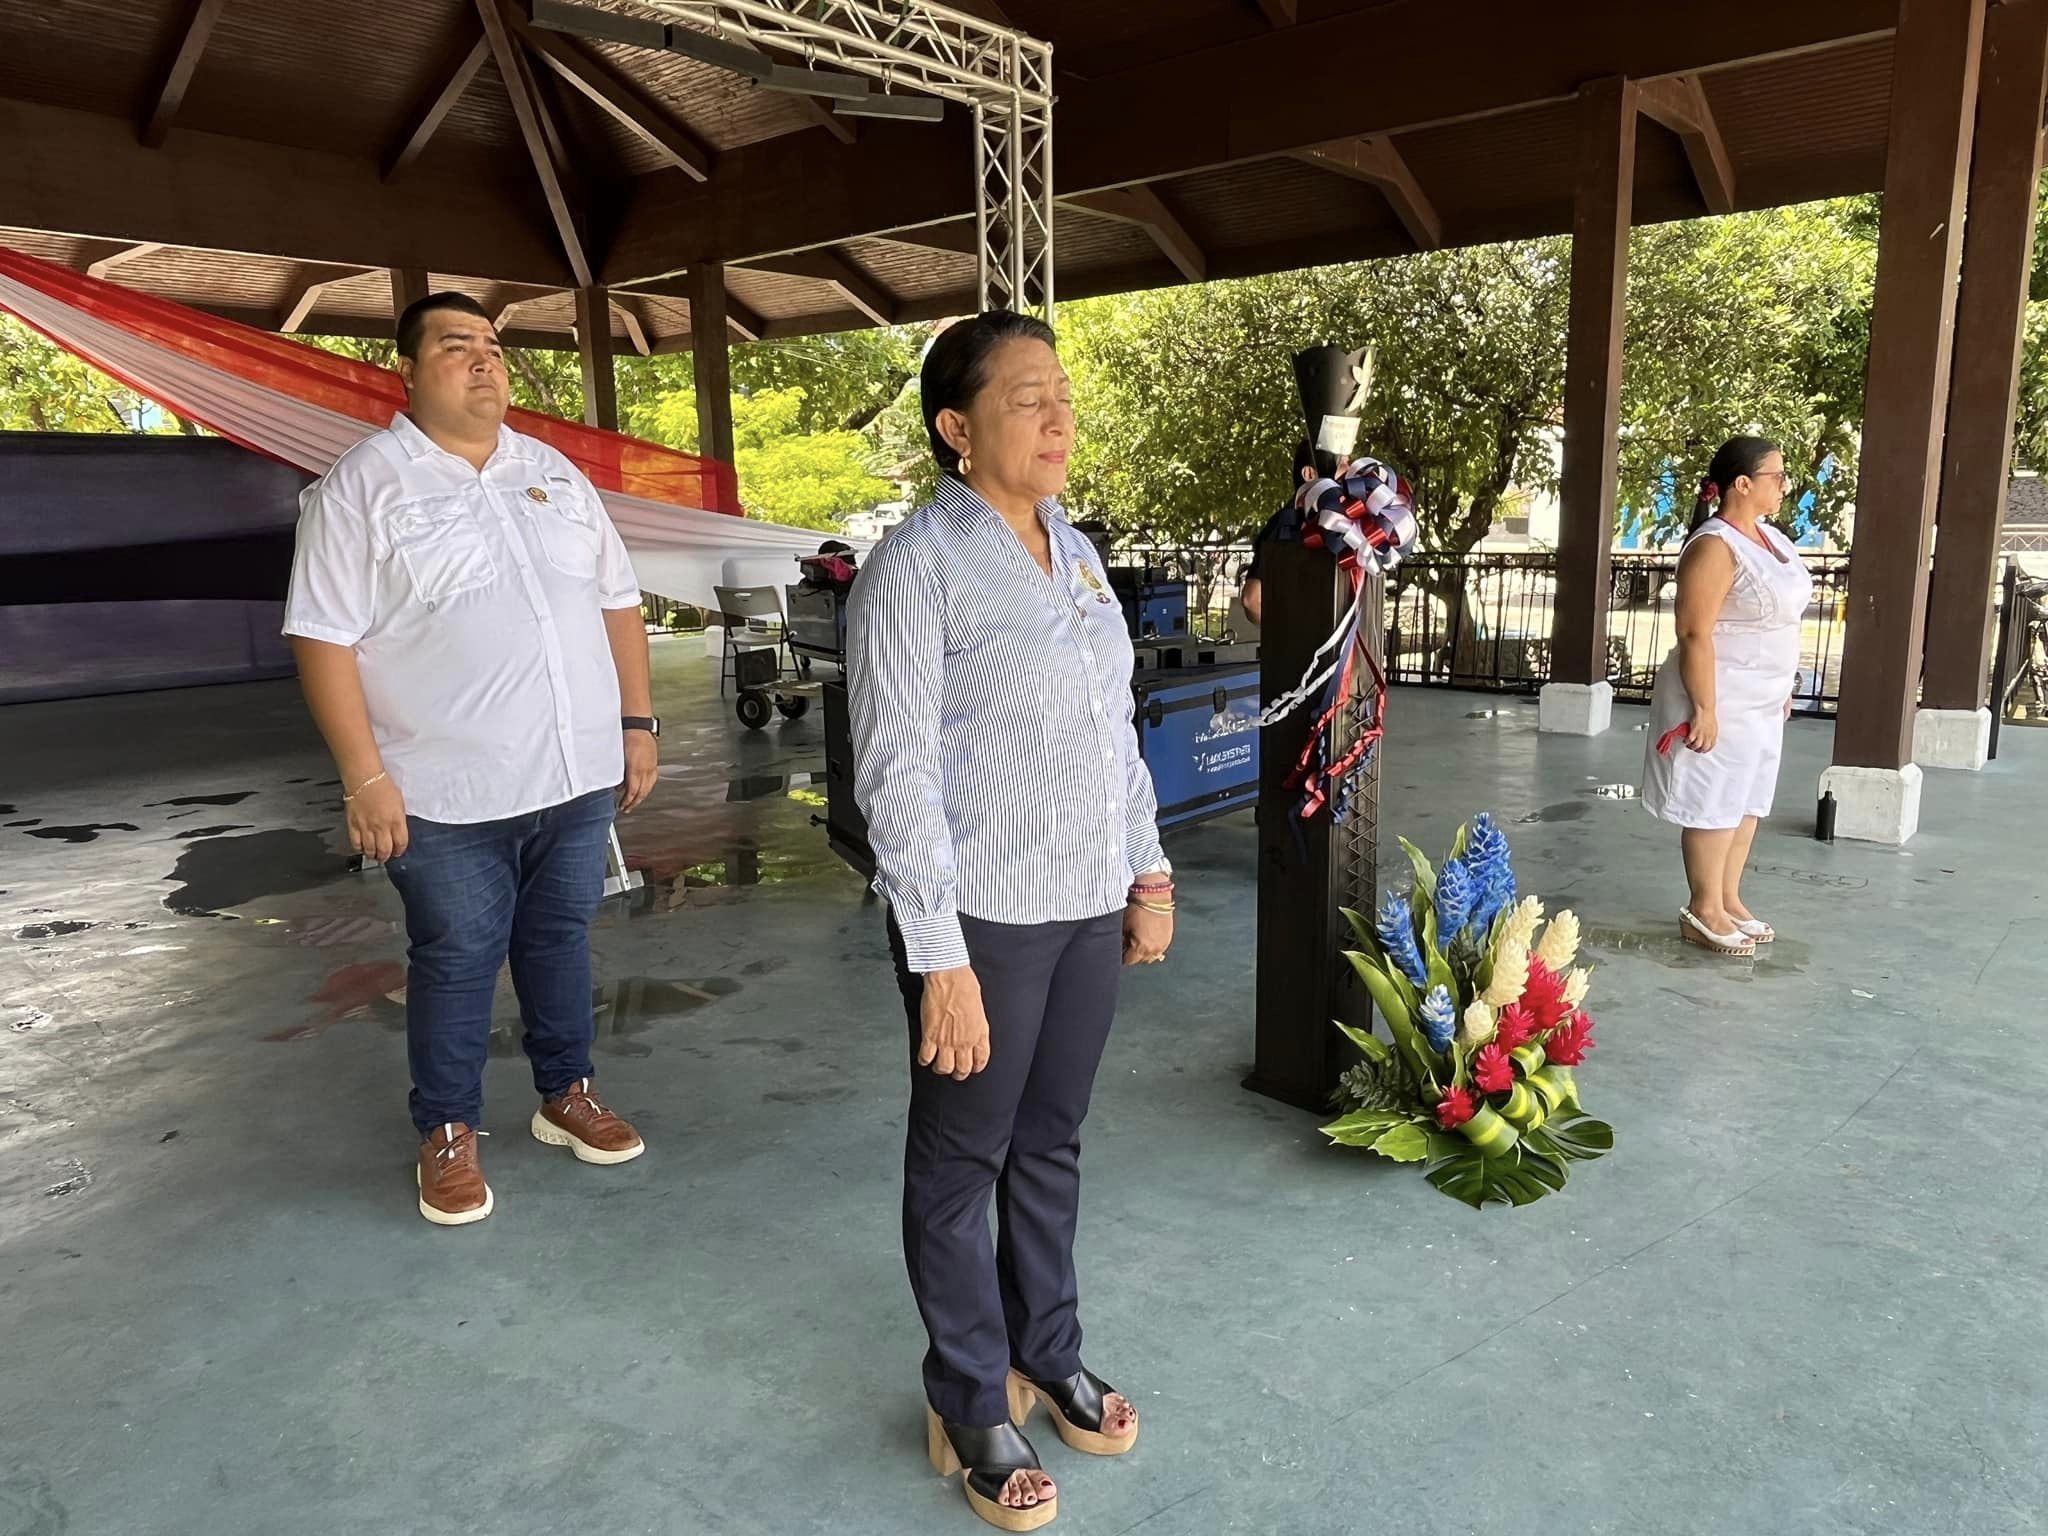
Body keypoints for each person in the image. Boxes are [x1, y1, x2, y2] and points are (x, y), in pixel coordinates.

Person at [847, 310, 1173, 1530]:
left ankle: (1050, 1350)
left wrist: (1145, 875)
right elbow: (894, 776)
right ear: (954, 425)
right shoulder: (915, 567)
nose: (1056, 415)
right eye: (1025, 396)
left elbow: (1114, 737)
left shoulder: (1078, 553)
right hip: (979, 918)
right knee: (959, 1160)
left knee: (1051, 1141)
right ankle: (969, 1393)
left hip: (1084, 902)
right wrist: (938, 959)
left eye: (1063, 394)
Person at [283, 292, 658, 1226]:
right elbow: (322, 638)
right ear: (408, 371)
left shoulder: (555, 473)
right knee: (455, 956)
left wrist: (637, 724)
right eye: (457, 346)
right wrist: (364, 777)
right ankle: (447, 1131)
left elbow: (617, 603)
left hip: (574, 775)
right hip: (442, 790)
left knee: (559, 939)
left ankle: (566, 1093)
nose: (484, 360)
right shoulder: (363, 487)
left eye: (492, 346)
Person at [1641, 436, 1813, 956]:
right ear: (1743, 484)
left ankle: (1729, 896)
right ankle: (1703, 906)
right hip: (1720, 693)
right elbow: (1695, 632)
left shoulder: (1771, 540)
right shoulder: (1714, 545)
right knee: (1713, 801)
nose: (1785, 486)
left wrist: (1782, 687)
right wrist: (1706, 708)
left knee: (1747, 800)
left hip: (1762, 698)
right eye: (1777, 477)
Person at [1239, 440, 1325, 627]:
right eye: (1342, 463)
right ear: (1309, 474)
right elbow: (1251, 600)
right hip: (1308, 650)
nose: (1349, 469)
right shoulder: (1286, 525)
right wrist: (1288, 637)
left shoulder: (1333, 522)